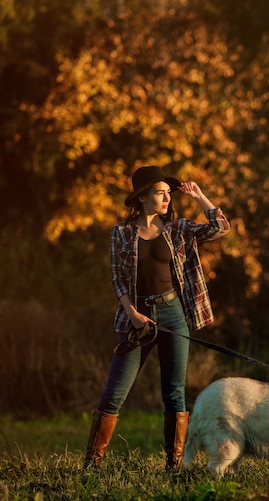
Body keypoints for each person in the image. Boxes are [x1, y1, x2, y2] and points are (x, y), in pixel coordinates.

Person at [84, 165, 230, 470]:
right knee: (114, 392)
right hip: (137, 318)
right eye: (160, 193)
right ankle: (92, 465)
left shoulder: (177, 229)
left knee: (174, 392)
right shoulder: (121, 234)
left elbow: (219, 228)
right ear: (143, 197)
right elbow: (118, 279)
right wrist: (132, 312)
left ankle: (174, 466)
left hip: (173, 315)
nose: (167, 198)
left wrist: (200, 195)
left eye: (168, 193)